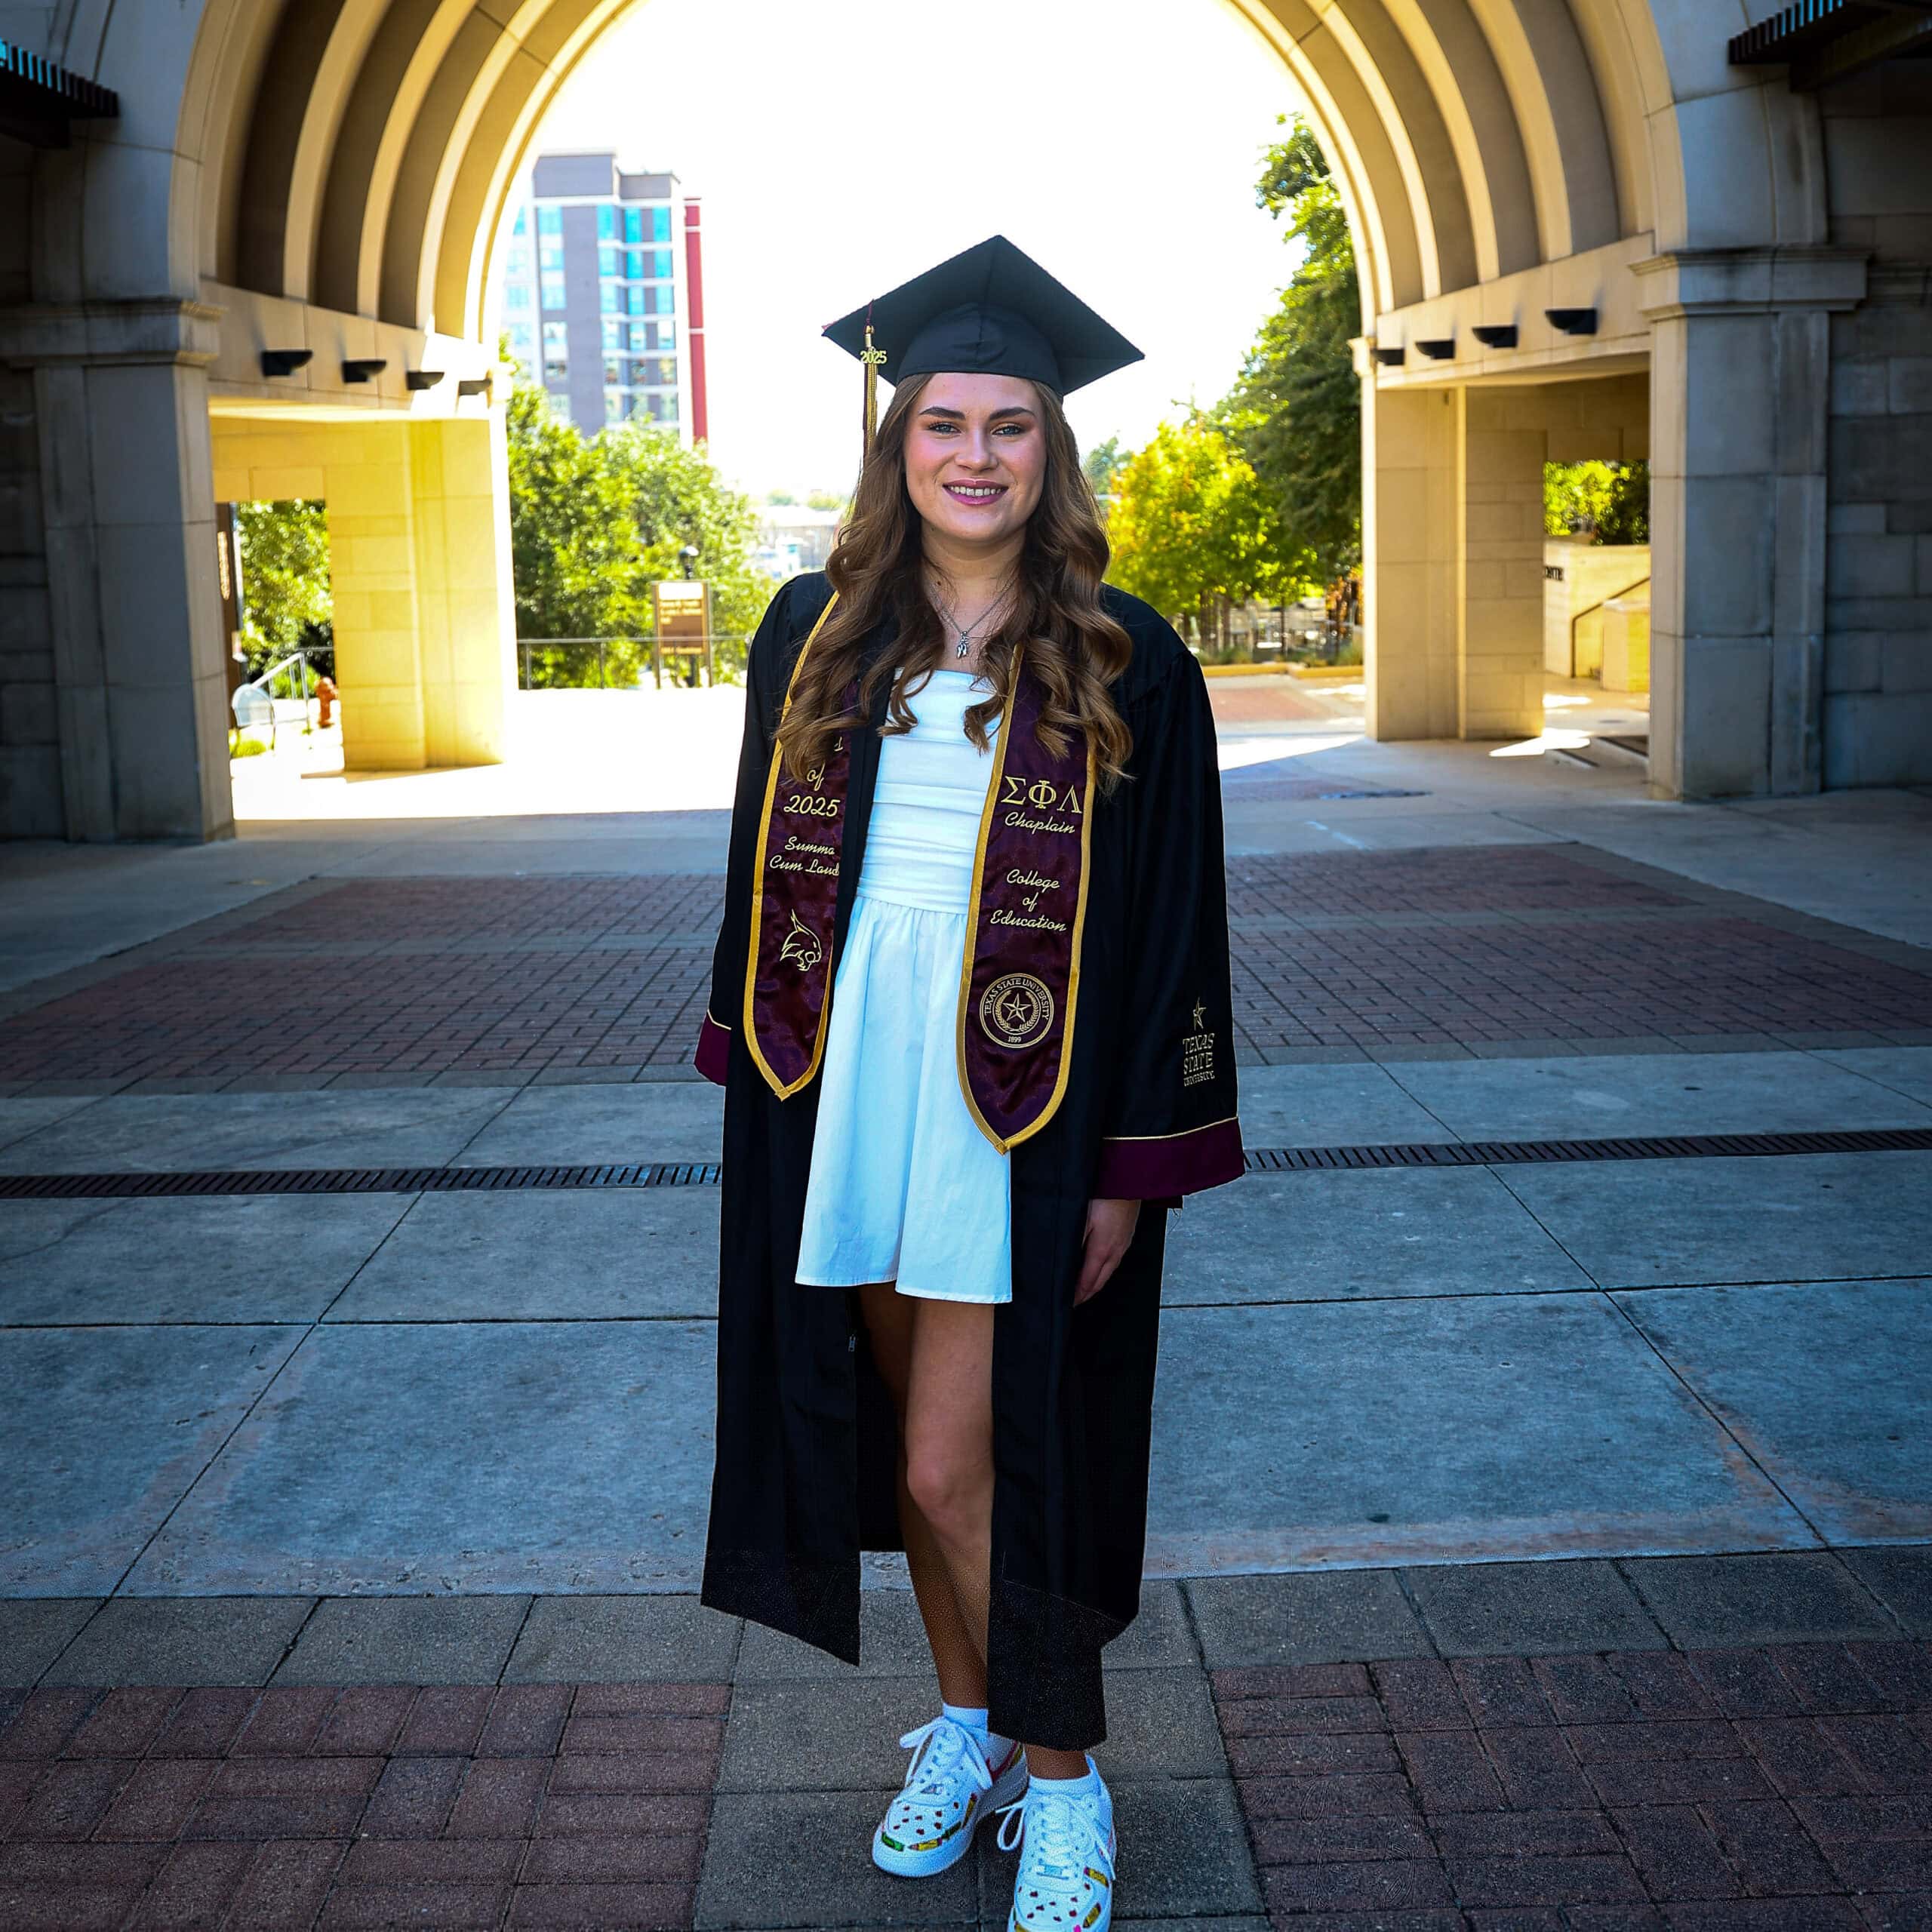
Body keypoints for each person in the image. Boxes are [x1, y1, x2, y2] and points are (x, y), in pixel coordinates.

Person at [694, 235, 1243, 1931]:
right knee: (894, 1451)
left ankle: (1065, 1779)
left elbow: (1173, 922)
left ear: (1050, 449)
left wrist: (1127, 1165)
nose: (977, 454)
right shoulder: (810, 627)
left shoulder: (1129, 652)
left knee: (959, 1464)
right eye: (945, 422)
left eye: (1010, 425)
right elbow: (754, 868)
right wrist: (759, 1082)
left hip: (1029, 1096)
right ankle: (967, 1725)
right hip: (843, 1074)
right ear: (898, 440)